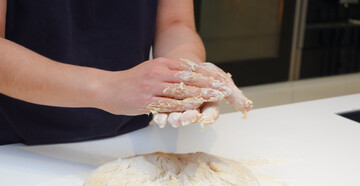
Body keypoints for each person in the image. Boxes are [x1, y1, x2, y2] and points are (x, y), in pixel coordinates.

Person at [0, 0, 250, 146]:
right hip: (17, 143)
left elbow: (175, 23)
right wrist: (109, 87)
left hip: (133, 135)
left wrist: (185, 75)